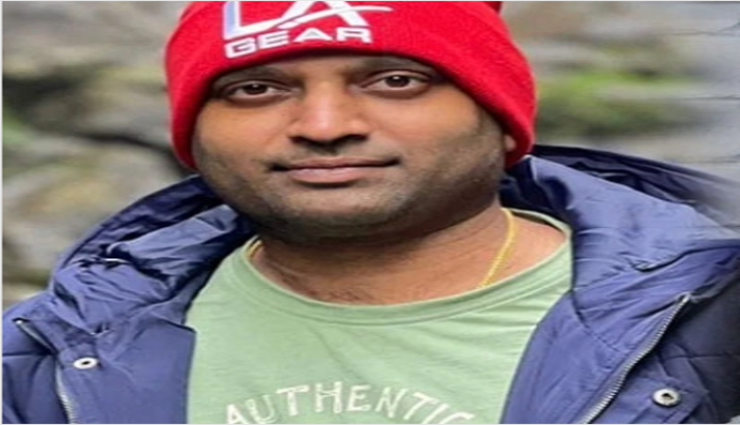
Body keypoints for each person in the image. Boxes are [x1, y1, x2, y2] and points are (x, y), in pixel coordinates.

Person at [3, 1, 739, 424]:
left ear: (501, 118)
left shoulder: (712, 325)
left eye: (395, 80)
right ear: (194, 135)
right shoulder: (42, 356)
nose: (325, 126)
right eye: (256, 89)